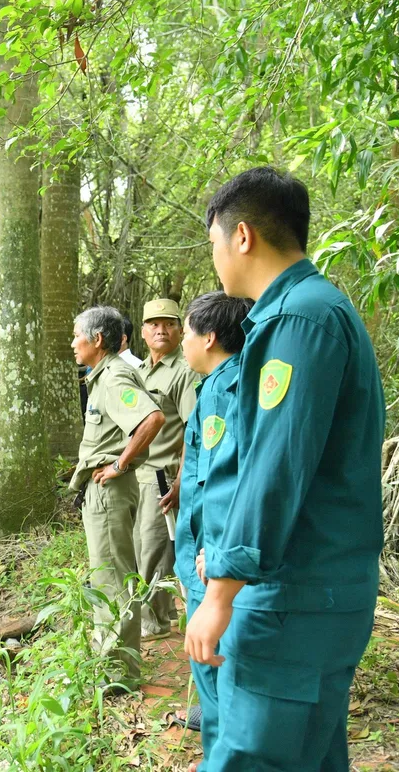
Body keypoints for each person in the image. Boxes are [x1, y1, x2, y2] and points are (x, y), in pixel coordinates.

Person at [184, 167, 385, 772]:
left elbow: (274, 466)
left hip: (291, 598)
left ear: (241, 236)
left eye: (213, 241)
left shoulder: (297, 319)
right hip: (318, 592)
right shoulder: (316, 309)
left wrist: (219, 591)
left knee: (250, 756)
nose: (215, 256)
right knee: (312, 756)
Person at [171, 291, 254, 765]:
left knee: (216, 676)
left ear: (210, 337)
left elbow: (223, 484)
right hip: (211, 562)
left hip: (212, 566)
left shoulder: (224, 388)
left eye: (186, 332)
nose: (182, 342)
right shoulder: (220, 383)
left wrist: (213, 558)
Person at [69, 306, 165, 684]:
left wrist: (120, 465)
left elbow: (152, 418)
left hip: (109, 489)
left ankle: (118, 673)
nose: (72, 343)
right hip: (104, 491)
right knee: (108, 573)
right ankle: (111, 661)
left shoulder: (112, 378)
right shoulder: (104, 375)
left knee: (112, 577)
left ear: (96, 339)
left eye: (77, 335)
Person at [135, 298, 200, 639]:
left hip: (162, 475)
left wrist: (180, 481)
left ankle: (153, 622)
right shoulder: (140, 372)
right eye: (153, 324)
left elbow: (193, 429)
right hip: (137, 474)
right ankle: (160, 614)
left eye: (169, 324)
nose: (161, 329)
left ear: (179, 329)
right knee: (143, 549)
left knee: (155, 551)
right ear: (144, 332)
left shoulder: (185, 371)